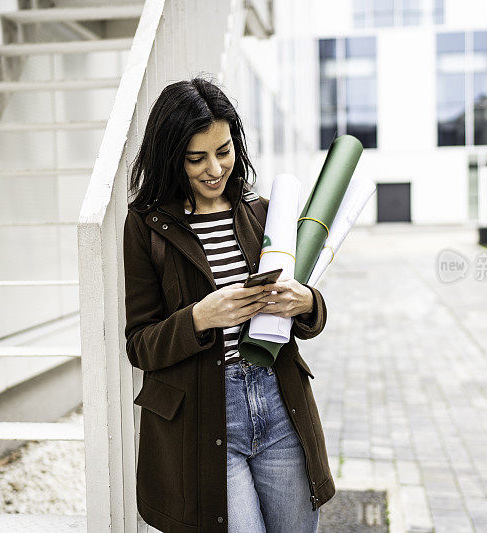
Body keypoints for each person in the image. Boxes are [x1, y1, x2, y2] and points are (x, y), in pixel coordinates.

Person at [123, 76, 334, 533]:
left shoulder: (261, 212)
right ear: (170, 157)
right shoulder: (147, 226)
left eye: (223, 150)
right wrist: (200, 317)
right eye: (196, 158)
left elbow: (304, 320)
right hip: (204, 417)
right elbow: (139, 344)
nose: (214, 168)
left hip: (279, 405)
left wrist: (306, 302)